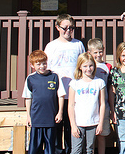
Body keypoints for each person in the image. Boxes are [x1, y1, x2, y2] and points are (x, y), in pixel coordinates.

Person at [44, 14, 85, 154]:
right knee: (56, 125)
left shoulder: (78, 44)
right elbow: (46, 68)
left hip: (73, 93)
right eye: (65, 28)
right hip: (56, 93)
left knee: (70, 125)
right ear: (57, 27)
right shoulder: (51, 46)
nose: (68, 31)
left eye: (71, 28)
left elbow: (83, 65)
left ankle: (70, 151)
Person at [23, 50, 66, 154]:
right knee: (34, 147)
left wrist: (60, 112)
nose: (42, 66)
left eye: (44, 63)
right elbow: (28, 98)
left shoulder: (54, 76)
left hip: (51, 119)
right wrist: (28, 116)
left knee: (50, 147)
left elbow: (61, 95)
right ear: (32, 65)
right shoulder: (30, 78)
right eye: (38, 64)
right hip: (36, 119)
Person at [68, 52, 106, 154]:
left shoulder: (99, 82)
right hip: (78, 123)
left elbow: (102, 104)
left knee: (90, 149)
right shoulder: (74, 83)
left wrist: (100, 123)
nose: (88, 69)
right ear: (80, 67)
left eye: (90, 66)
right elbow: (71, 105)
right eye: (85, 66)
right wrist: (73, 125)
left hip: (93, 122)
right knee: (76, 150)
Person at [87, 38, 112, 154]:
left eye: (100, 51)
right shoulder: (87, 66)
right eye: (95, 52)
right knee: (89, 137)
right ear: (89, 53)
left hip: (104, 104)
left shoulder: (108, 66)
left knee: (102, 135)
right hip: (90, 105)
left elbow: (110, 87)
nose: (98, 54)